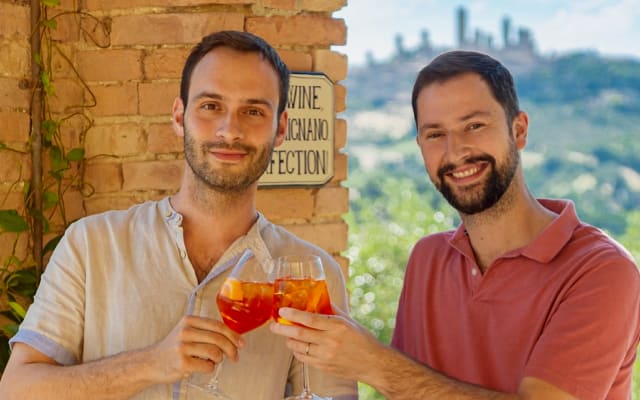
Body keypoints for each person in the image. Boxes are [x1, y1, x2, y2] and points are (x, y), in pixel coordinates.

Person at [0, 30, 358, 400]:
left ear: (280, 128)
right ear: (178, 115)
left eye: (253, 111)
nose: (229, 130)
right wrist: (152, 363)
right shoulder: (90, 245)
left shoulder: (312, 276)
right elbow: (16, 390)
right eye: (211, 106)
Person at [270, 50, 640, 399]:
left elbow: (396, 377)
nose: (455, 151)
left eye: (474, 126)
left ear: (519, 130)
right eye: (435, 135)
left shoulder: (602, 271)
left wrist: (373, 362)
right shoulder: (428, 258)